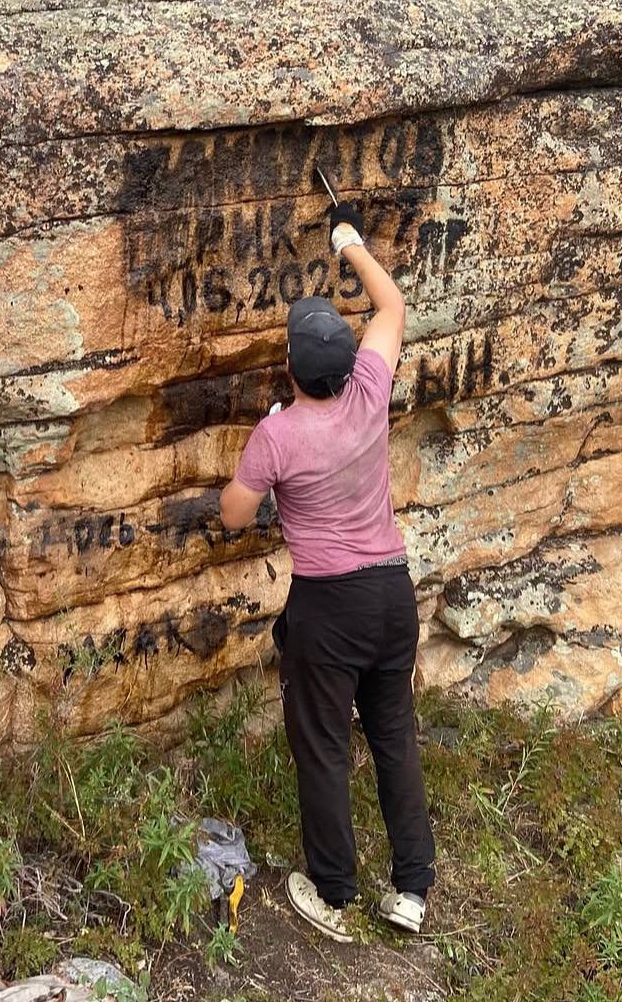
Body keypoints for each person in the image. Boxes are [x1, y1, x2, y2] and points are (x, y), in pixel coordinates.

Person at [219, 201, 436, 942]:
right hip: (391, 593)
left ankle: (335, 893)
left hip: (328, 609)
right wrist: (349, 241)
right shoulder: (370, 392)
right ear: (347, 364)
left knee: (322, 745)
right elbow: (392, 305)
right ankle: (412, 890)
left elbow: (234, 515)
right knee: (393, 735)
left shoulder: (278, 435)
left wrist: (262, 457)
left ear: (291, 368)